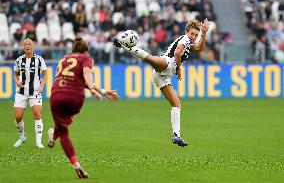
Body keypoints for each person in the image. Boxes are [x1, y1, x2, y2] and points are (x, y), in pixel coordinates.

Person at [114, 19, 210, 147]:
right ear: (186, 31)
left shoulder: (188, 42)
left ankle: (176, 136)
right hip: (168, 63)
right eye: (192, 33)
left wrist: (203, 32)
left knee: (176, 104)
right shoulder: (185, 39)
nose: (193, 37)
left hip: (163, 76)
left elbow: (200, 47)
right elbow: (176, 53)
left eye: (195, 35)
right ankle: (123, 44)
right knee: (150, 59)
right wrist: (179, 68)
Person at [48, 38, 119, 178]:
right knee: (67, 118)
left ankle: (76, 164)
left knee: (64, 131)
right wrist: (93, 89)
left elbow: (75, 78)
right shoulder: (85, 58)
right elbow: (86, 74)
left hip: (56, 95)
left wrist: (102, 91)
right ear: (85, 51)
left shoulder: (63, 59)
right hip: (74, 98)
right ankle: (53, 135)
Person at [13, 38, 48, 148]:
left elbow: (46, 74)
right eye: (25, 44)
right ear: (23, 47)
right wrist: (18, 82)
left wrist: (42, 86)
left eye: (29, 44)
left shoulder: (39, 60)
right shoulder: (19, 60)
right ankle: (22, 137)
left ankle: (38, 142)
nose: (27, 46)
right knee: (18, 117)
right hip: (21, 92)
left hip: (35, 91)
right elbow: (15, 74)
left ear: (33, 46)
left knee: (37, 113)